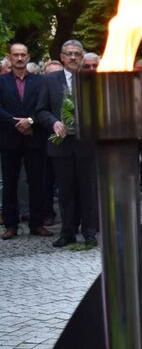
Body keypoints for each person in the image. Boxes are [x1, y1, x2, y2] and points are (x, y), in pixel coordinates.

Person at [35, 39, 98, 247]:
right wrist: (53, 123)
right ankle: (67, 232)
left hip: (86, 143)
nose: (73, 57)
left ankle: (89, 231)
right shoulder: (49, 80)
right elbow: (41, 111)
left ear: (82, 57)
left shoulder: (92, 79)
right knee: (66, 191)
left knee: (87, 190)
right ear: (62, 57)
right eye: (69, 54)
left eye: (77, 54)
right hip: (60, 144)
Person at [0, 43, 52, 239]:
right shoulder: (1, 81)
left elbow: (45, 105)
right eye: (16, 55)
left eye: (23, 55)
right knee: (10, 182)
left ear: (28, 57)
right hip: (8, 138)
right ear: (10, 57)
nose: (20, 58)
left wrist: (30, 121)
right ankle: (11, 225)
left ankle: (37, 223)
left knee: (37, 182)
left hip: (34, 136)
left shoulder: (40, 82)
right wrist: (16, 122)